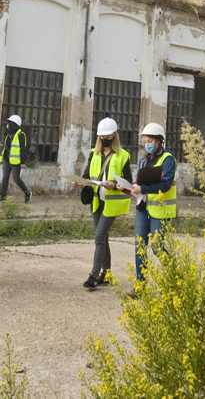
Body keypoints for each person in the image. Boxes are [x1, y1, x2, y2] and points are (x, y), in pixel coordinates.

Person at [74, 117, 133, 290]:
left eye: (107, 136)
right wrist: (79, 182)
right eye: (101, 136)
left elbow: (128, 182)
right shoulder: (94, 153)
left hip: (112, 203)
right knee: (103, 237)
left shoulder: (123, 156)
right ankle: (106, 274)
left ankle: (93, 275)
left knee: (99, 237)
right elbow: (87, 175)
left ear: (114, 136)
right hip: (96, 201)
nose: (104, 139)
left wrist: (115, 185)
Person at [131, 122, 177, 285]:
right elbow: (137, 181)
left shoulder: (168, 159)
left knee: (157, 247)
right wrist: (130, 186)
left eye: (150, 141)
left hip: (160, 210)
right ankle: (140, 286)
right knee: (139, 247)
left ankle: (176, 278)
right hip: (143, 208)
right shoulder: (144, 161)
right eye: (145, 142)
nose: (147, 145)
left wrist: (142, 188)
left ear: (159, 141)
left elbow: (165, 185)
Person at [0, 114, 30, 203]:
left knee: (16, 179)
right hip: (7, 159)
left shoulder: (20, 135)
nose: (8, 125)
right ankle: (3, 197)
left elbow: (22, 150)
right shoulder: (9, 134)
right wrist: (3, 145)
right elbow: (9, 146)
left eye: (10, 123)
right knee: (5, 178)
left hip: (15, 161)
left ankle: (27, 193)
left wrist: (22, 162)